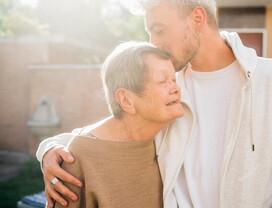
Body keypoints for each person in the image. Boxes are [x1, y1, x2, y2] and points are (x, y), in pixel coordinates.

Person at [37, 0, 272, 207]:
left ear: (197, 19)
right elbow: (115, 129)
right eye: (149, 32)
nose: (153, 42)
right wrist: (50, 147)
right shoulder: (166, 91)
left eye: (159, 30)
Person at [49, 41, 184, 207]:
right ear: (126, 100)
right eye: (163, 81)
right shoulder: (80, 157)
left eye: (174, 79)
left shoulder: (171, 139)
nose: (176, 88)